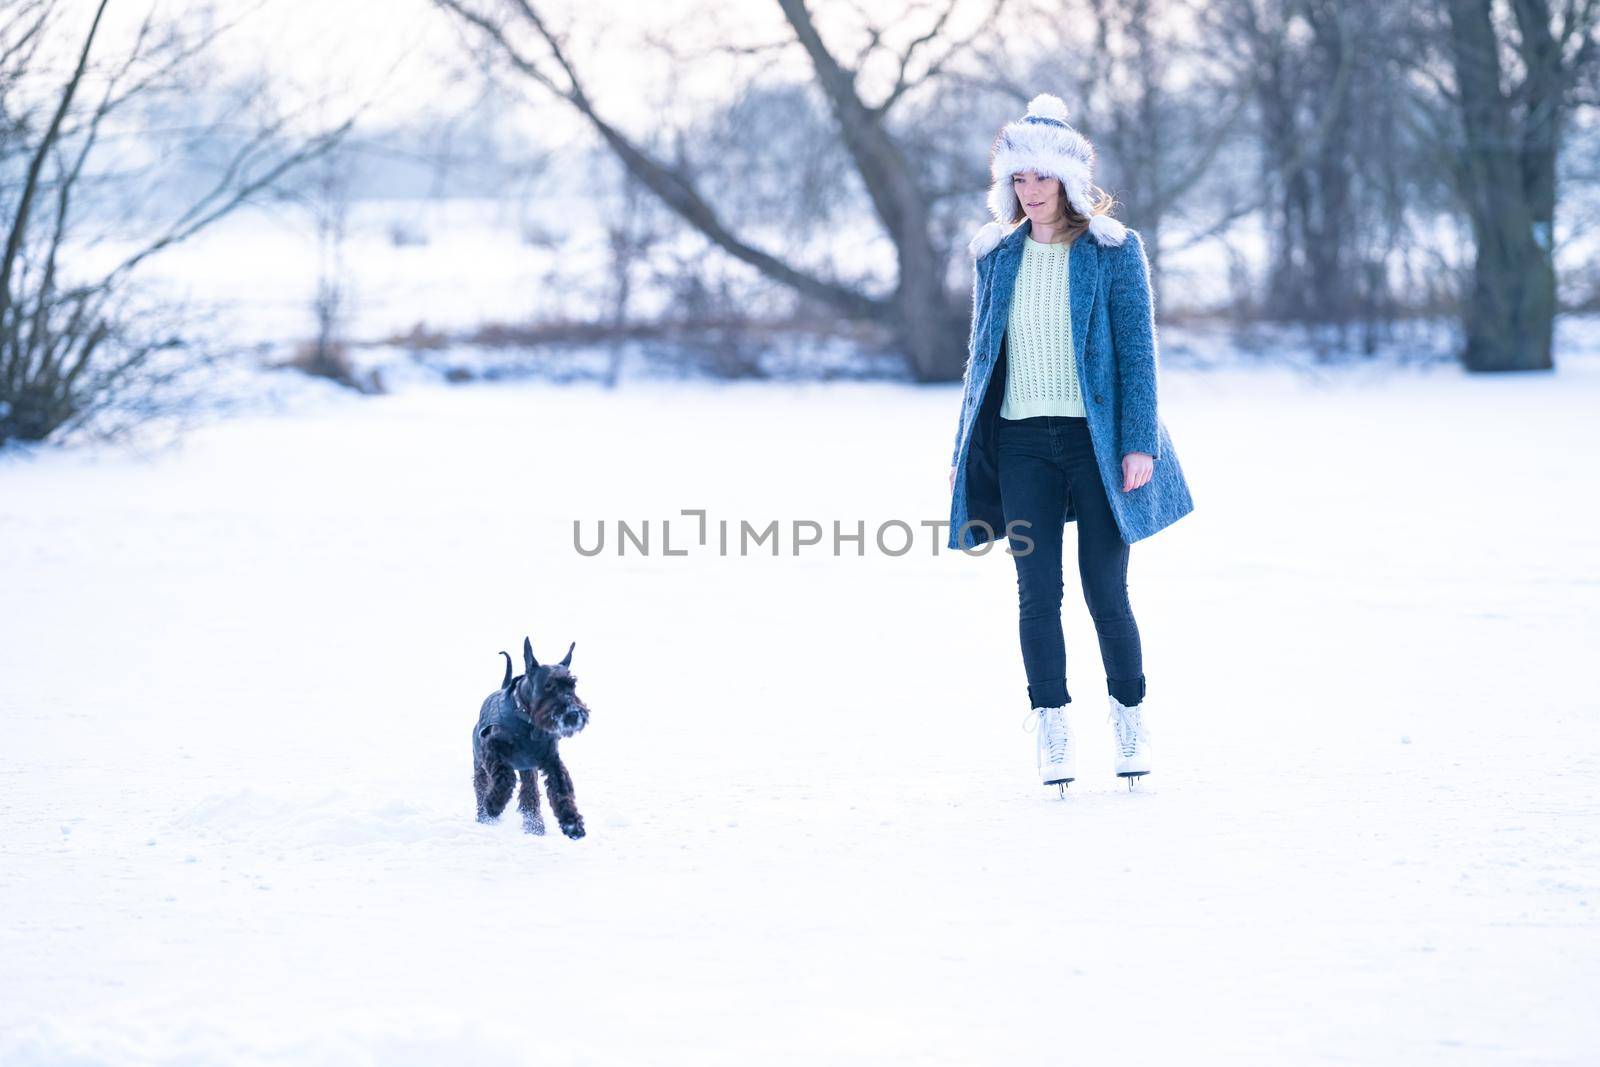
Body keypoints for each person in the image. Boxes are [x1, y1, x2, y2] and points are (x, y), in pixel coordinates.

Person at [946, 93, 1196, 793]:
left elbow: (1136, 354)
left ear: (1069, 181)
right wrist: (967, 443)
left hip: (1098, 443)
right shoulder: (996, 256)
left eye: (1042, 178)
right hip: (1023, 443)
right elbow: (981, 355)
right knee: (1036, 591)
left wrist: (1139, 440)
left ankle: (1129, 716)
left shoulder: (1113, 250)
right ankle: (1052, 725)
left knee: (1105, 590)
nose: (1030, 192)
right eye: (1018, 179)